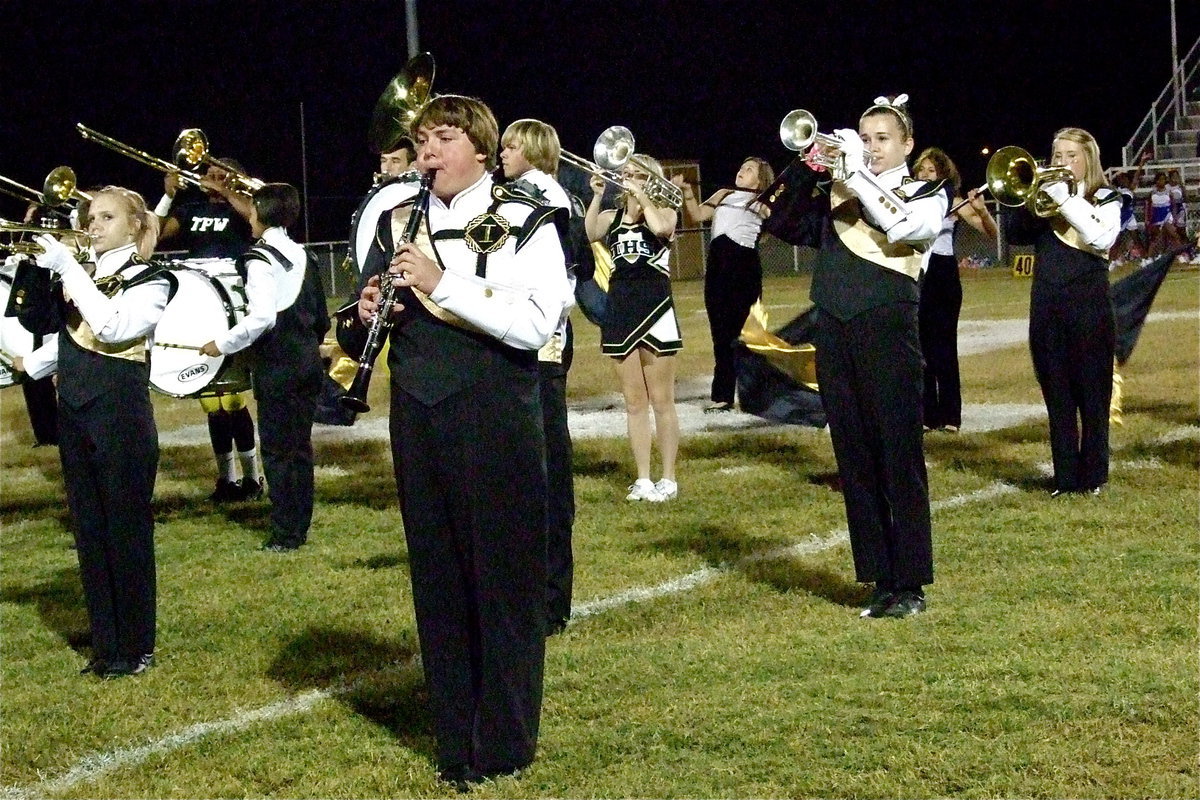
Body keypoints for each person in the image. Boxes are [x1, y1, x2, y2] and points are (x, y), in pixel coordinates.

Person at [356, 95, 573, 790]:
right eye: (421, 141)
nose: (427, 153)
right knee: (439, 579)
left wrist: (442, 282)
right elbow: (376, 316)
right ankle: (454, 739)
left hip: (495, 415)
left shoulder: (525, 218)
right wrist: (365, 313)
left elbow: (536, 323)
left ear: (479, 146)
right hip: (418, 415)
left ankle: (503, 742)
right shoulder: (399, 220)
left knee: (503, 583)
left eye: (442, 138)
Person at [787, 94, 948, 618]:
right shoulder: (838, 188)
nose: (873, 147)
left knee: (897, 453)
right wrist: (807, 167)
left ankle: (912, 582)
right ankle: (879, 576)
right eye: (867, 137)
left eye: (884, 139)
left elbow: (904, 228)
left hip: (887, 326)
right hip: (833, 325)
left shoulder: (927, 192)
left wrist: (856, 176)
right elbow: (785, 225)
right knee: (853, 454)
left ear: (906, 144)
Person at [17, 186, 172, 678]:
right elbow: (64, 342)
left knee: (126, 529)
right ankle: (106, 645)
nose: (94, 224)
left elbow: (111, 328)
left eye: (107, 217)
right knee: (88, 529)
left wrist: (68, 267)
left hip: (120, 415)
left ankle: (136, 646)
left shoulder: (154, 279)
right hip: (75, 412)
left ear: (134, 225)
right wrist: (26, 360)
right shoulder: (81, 276)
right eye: (90, 216)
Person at [200, 184, 326, 551]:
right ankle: (298, 523)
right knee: (299, 449)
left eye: (252, 211)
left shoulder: (259, 258)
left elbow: (261, 319)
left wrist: (220, 344)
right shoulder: (303, 255)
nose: (249, 218)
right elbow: (320, 317)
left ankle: (286, 534)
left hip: (279, 367)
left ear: (260, 213)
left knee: (277, 452)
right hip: (306, 362)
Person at [1004, 127, 1120, 496]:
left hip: (1090, 307)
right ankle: (1065, 479)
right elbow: (1015, 235)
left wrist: (1066, 199)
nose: (1063, 163)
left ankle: (1094, 477)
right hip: (1047, 305)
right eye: (1057, 156)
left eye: (1071, 155)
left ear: (1089, 159)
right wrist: (1028, 196)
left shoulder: (1107, 198)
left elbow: (1101, 237)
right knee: (1057, 395)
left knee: (1092, 395)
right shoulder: (1044, 199)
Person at [499, 118, 577, 635]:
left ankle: (550, 599)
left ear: (532, 149)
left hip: (542, 347)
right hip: (531, 345)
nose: (501, 152)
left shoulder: (543, 199)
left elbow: (563, 285)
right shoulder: (519, 193)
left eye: (509, 145)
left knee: (546, 477)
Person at [155, 161, 262, 503]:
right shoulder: (190, 210)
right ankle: (226, 478)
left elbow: (257, 220)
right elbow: (152, 234)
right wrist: (167, 196)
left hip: (235, 305)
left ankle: (253, 476)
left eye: (222, 176)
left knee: (232, 397)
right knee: (211, 400)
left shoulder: (244, 207)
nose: (213, 181)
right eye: (210, 176)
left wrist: (228, 190)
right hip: (199, 309)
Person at [585, 152, 682, 502]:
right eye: (624, 174)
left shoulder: (666, 211)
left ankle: (668, 478)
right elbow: (591, 232)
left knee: (662, 400)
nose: (626, 179)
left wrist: (642, 196)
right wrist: (597, 194)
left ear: (651, 181)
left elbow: (661, 229)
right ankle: (642, 478)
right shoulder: (612, 217)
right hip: (621, 310)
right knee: (634, 402)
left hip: (655, 309)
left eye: (636, 175)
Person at [673, 157, 774, 413]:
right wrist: (687, 192)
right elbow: (697, 215)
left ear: (760, 180)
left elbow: (775, 219)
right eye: (741, 166)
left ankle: (760, 392)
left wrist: (769, 201)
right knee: (721, 335)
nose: (741, 170)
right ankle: (722, 395)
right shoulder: (722, 194)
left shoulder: (761, 201)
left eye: (749, 169)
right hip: (718, 268)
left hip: (744, 268)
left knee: (749, 335)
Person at [912, 147, 998, 433]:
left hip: (944, 274)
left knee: (945, 345)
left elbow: (991, 232)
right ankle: (928, 414)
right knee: (920, 345)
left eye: (931, 170)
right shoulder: (909, 201)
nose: (924, 174)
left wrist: (983, 211)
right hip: (918, 273)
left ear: (943, 175)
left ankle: (951, 415)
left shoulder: (955, 202)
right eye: (921, 170)